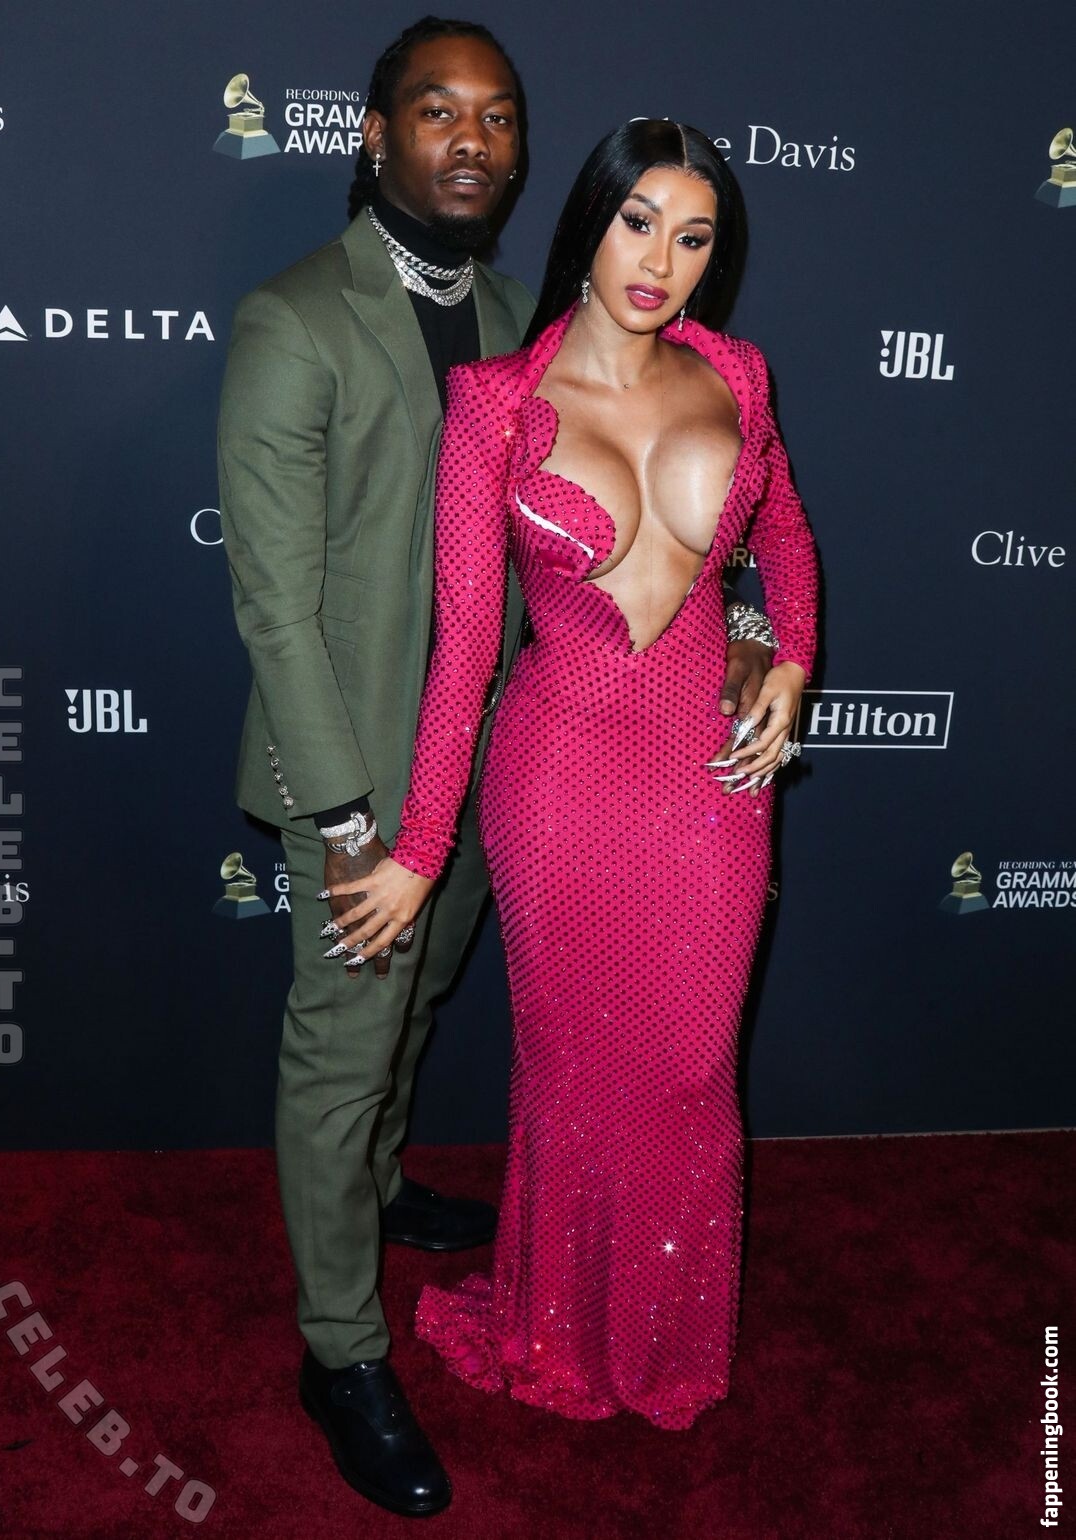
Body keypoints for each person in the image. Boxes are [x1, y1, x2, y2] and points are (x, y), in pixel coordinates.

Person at [221, 19, 775, 1509]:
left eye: (500, 117)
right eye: (437, 110)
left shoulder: (535, 318)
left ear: (526, 155)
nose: (472, 139)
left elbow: (671, 533)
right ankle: (340, 1349)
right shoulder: (292, 320)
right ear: (374, 133)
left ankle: (384, 1187)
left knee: (417, 1016)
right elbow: (274, 605)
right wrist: (356, 819)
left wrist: (742, 637)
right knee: (343, 1050)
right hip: (361, 775)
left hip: (511, 765)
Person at [332, 118, 819, 1432]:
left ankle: (663, 1339)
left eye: (694, 237)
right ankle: (557, 1329)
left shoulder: (740, 374)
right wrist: (422, 847)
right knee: (573, 1064)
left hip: (710, 776)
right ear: (590, 223)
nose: (661, 261)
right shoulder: (495, 402)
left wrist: (786, 655)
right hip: (561, 779)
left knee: (691, 1067)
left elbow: (783, 531)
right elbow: (464, 650)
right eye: (638, 223)